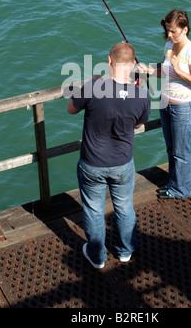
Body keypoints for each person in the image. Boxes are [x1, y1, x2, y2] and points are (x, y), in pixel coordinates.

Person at [67, 42, 150, 269]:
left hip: (92, 163)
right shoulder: (141, 95)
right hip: (123, 163)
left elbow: (71, 109)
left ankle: (97, 257)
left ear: (109, 61)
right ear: (134, 64)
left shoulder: (94, 87)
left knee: (93, 210)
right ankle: (125, 251)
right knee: (124, 207)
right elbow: (139, 123)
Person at [138, 9, 191, 199]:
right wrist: (150, 70)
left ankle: (181, 190)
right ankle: (173, 183)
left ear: (185, 29)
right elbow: (166, 70)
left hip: (182, 108)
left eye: (174, 31)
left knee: (181, 152)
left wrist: (179, 70)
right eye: (168, 30)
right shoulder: (169, 44)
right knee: (171, 148)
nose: (169, 34)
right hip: (165, 103)